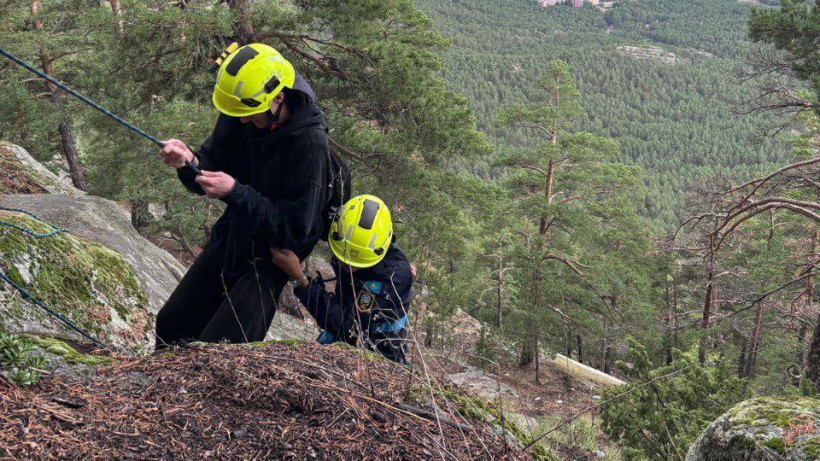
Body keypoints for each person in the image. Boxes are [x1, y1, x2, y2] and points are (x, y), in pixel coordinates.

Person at [154, 43, 331, 348]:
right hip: (233, 234)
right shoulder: (242, 109)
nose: (242, 122)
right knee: (171, 325)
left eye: (250, 115)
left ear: (278, 98)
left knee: (222, 348)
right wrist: (190, 163)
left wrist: (236, 193)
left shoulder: (309, 146)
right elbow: (213, 164)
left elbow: (293, 230)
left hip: (269, 260)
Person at [271, 195, 414, 363]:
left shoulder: (392, 277)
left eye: (356, 263)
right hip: (345, 328)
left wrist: (301, 280)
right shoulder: (345, 232)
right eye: (344, 260)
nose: (348, 267)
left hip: (379, 349)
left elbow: (347, 327)